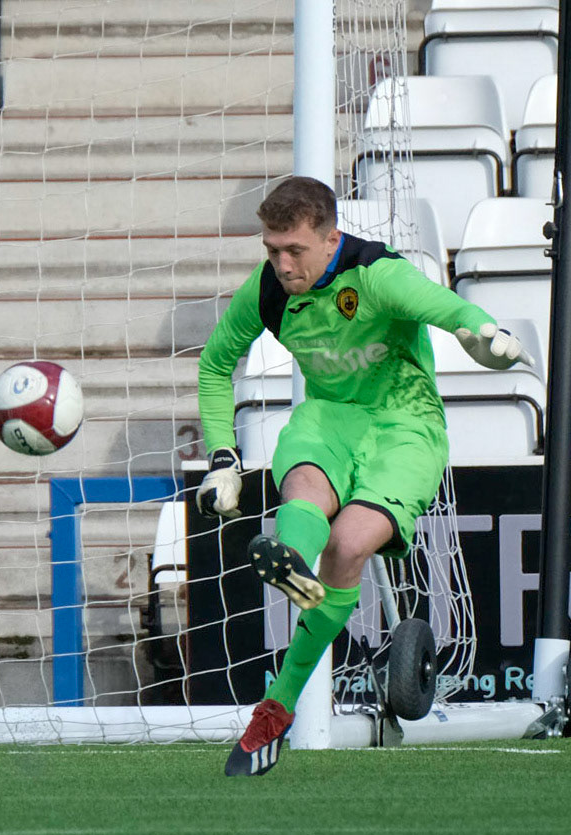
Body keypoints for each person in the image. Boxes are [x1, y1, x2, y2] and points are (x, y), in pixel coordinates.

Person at [196, 176, 533, 777]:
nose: (282, 264)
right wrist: (223, 456)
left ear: (331, 240)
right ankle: (292, 564)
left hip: (405, 425)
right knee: (302, 483)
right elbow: (215, 364)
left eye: (294, 250)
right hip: (330, 416)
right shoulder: (267, 289)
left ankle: (277, 705)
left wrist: (485, 336)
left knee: (348, 545)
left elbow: (451, 310)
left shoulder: (377, 275)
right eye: (272, 249)